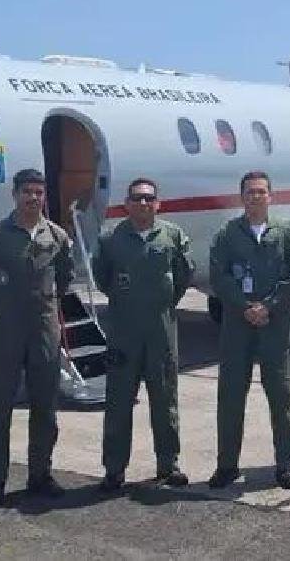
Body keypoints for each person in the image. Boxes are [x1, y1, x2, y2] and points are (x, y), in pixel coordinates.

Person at [0, 168, 75, 509]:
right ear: (15, 195)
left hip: (44, 331)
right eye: (27, 191)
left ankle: (40, 475)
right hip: (4, 332)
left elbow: (65, 277)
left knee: (45, 408)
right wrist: (2, 307)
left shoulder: (57, 237)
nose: (33, 198)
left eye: (39, 192)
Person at [208, 170, 290, 490]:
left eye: (261, 191)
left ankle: (286, 464)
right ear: (242, 197)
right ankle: (226, 465)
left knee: (282, 397)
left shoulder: (287, 231)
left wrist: (268, 306)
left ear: (270, 196)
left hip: (275, 328)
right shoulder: (227, 234)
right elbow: (219, 276)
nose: (255, 196)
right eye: (249, 192)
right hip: (237, 328)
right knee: (231, 398)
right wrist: (244, 306)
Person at [93, 178, 194, 492]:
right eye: (137, 198)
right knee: (118, 403)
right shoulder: (111, 240)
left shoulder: (172, 236)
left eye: (149, 198)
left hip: (161, 332)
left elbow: (182, 276)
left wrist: (161, 305)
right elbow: (103, 278)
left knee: (165, 401)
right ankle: (113, 470)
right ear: (127, 203)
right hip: (123, 333)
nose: (143, 204)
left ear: (158, 203)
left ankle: (168, 464)